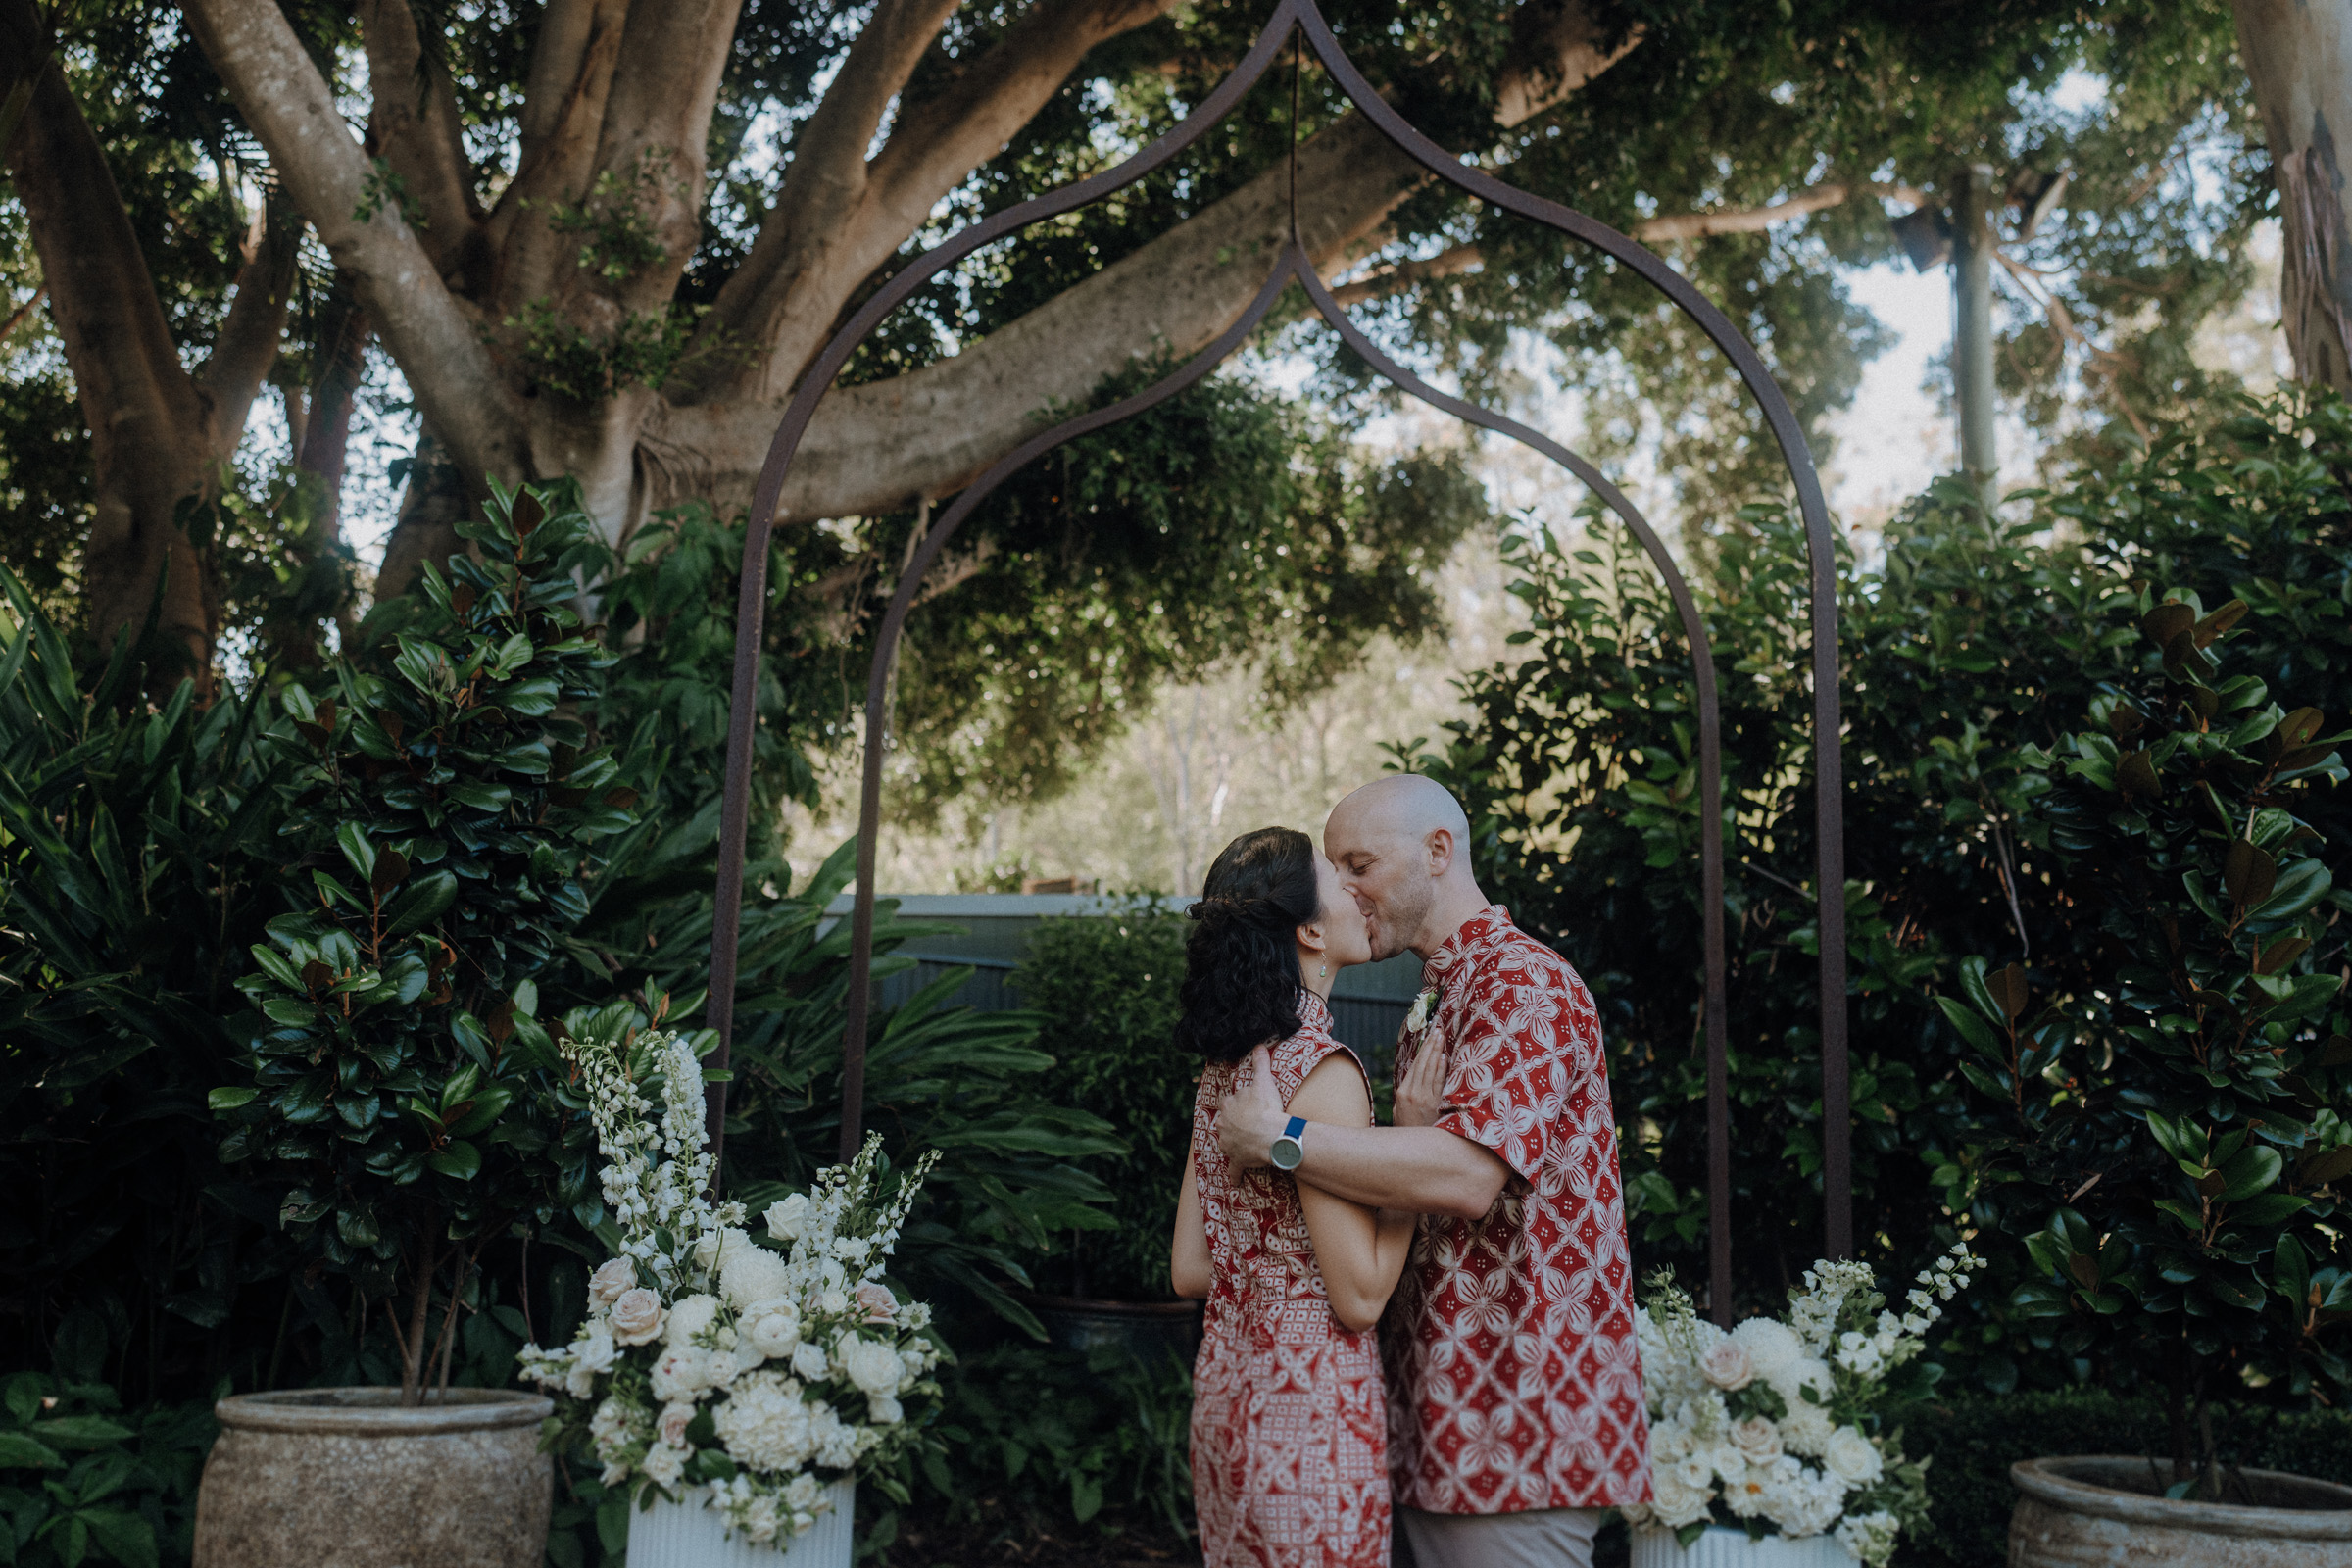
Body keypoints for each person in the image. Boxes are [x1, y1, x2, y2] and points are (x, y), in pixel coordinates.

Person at [1216, 775, 1651, 1568]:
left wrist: (1279, 1140)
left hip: (1519, 1423)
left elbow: (1465, 1179)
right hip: (1441, 1422)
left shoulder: (1526, 983)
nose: (1339, 891)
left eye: (1358, 863)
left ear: (1439, 852)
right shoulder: (1444, 991)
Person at [1170, 826, 1434, 1568]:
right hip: (1309, 1420)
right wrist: (1408, 1156)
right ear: (1310, 930)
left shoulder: (1225, 1070)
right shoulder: (1324, 1073)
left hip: (1226, 1401)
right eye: (1338, 879)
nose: (1359, 891)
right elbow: (1359, 1299)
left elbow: (1191, 1270)